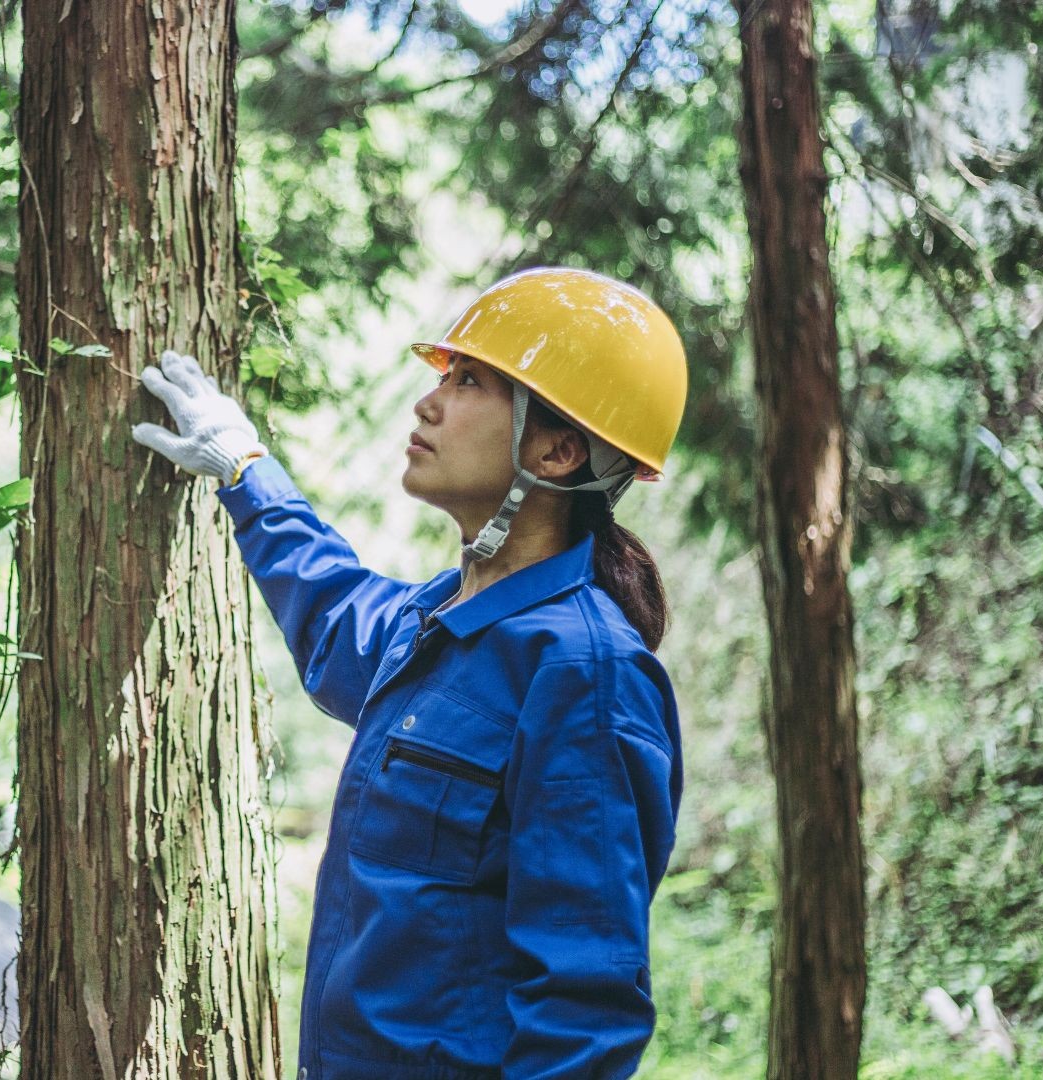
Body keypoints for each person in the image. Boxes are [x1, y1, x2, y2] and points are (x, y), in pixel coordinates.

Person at [130, 267, 687, 1080]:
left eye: (470, 383)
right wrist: (247, 470)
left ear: (558, 450)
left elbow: (584, 1015)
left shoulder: (583, 676)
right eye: (443, 376)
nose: (429, 402)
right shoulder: (441, 622)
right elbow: (333, 611)